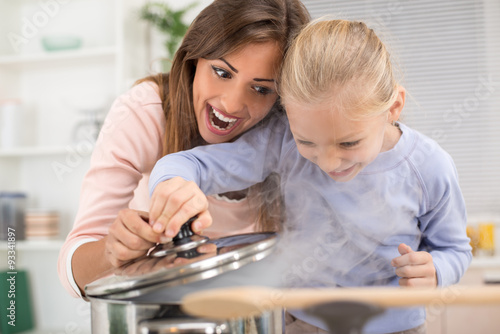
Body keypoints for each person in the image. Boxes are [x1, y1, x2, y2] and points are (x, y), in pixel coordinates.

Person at [148, 19, 472, 334]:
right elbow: (192, 165)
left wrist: (437, 270)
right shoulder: (280, 140)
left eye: (349, 142)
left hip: (397, 328)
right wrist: (172, 183)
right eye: (307, 141)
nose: (329, 162)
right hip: (301, 323)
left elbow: (455, 249)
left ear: (393, 107)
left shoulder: (430, 166)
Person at [57, 0, 310, 298]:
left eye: (261, 89)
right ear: (194, 57)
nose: (230, 104)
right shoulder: (144, 113)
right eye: (222, 72)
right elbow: (71, 273)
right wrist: (112, 251)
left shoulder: (291, 135)